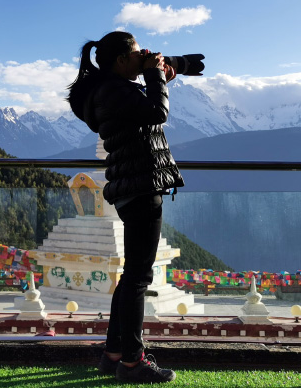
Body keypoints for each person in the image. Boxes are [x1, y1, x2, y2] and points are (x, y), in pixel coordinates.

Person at [67, 31, 184, 384]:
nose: (142, 56)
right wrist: (154, 77)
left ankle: (113, 353)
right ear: (121, 60)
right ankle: (132, 362)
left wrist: (159, 75)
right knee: (138, 279)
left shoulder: (109, 90)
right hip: (142, 184)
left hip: (130, 184)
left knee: (131, 275)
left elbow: (142, 118)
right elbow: (157, 113)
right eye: (137, 53)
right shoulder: (115, 90)